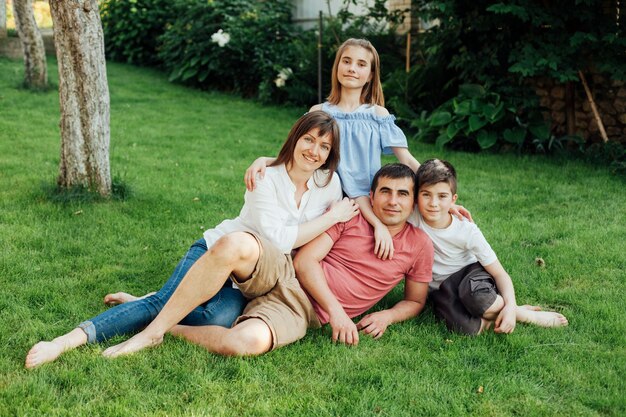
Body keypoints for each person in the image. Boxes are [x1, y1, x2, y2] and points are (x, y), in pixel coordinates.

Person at [25, 111, 360, 369]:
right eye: (309, 140)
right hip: (220, 251)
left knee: (213, 321)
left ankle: (147, 303)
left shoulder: (327, 184)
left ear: (331, 154)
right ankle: (70, 340)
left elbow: (364, 196)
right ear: (295, 138)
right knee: (161, 310)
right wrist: (331, 218)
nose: (314, 151)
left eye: (324, 146)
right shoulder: (265, 177)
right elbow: (280, 240)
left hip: (246, 279)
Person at [97, 163, 433, 358]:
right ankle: (155, 313)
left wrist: (387, 316)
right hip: (284, 270)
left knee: (245, 342)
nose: (392, 201)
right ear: (371, 196)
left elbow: (415, 300)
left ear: (413, 199)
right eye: (385, 191)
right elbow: (305, 263)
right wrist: (339, 313)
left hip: (300, 309)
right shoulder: (349, 217)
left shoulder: (419, 245)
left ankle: (161, 321)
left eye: (402, 193)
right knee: (235, 245)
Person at [244, 39, 470, 261]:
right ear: (337, 67)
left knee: (431, 218)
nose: (352, 68)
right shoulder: (320, 111)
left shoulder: (377, 114)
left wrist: (436, 192)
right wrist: (264, 160)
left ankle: (459, 266)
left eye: (361, 64)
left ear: (371, 74)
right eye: (346, 61)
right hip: (325, 195)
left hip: (369, 197)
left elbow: (407, 160)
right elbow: (304, 157)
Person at [412, 159, 569, 335]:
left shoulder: (466, 229)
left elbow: (499, 273)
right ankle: (503, 314)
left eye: (442, 196)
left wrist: (510, 306)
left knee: (478, 299)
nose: (433, 203)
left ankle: (521, 313)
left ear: (453, 199)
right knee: (464, 329)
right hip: (440, 287)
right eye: (426, 194)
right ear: (416, 196)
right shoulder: (411, 216)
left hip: (469, 275)